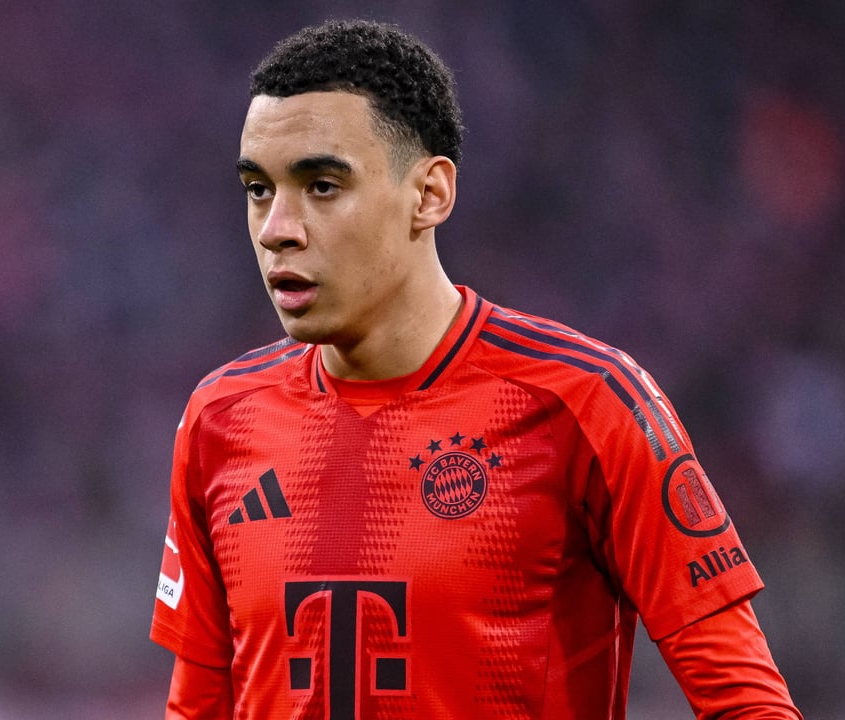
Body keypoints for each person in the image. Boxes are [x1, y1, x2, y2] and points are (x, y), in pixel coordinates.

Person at [149, 18, 801, 720]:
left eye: (323, 185)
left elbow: (749, 705)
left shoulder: (587, 404)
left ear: (430, 194)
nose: (278, 228)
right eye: (258, 189)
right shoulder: (220, 419)